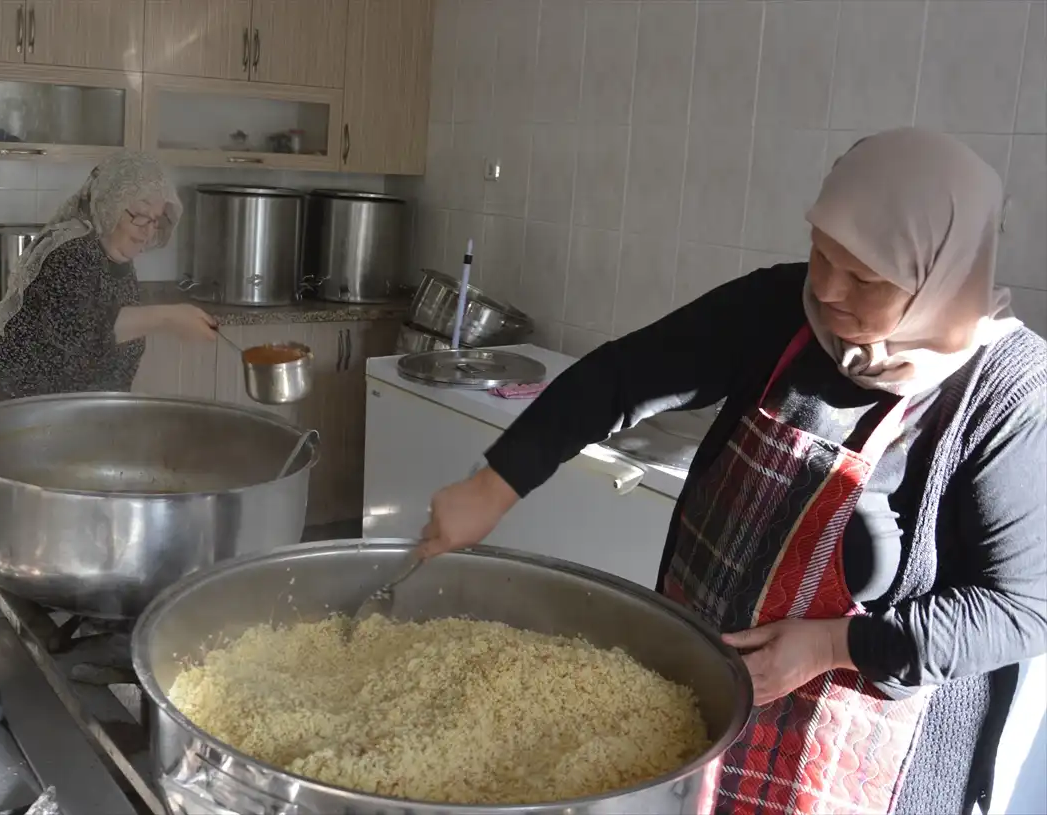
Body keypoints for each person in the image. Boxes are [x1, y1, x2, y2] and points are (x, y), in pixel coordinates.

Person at [418, 128, 1047, 815]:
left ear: (943, 275)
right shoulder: (783, 308)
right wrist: (494, 484)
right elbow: (622, 378)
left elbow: (1023, 608)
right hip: (706, 699)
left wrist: (834, 643)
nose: (828, 287)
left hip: (859, 754)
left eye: (865, 276)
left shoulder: (1011, 397)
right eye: (820, 252)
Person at [0, 150, 217, 402]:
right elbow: (81, 329)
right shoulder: (72, 250)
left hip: (76, 413)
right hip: (25, 413)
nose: (147, 232)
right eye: (139, 217)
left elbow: (111, 337)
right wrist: (169, 317)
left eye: (155, 220)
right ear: (110, 205)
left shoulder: (118, 258)